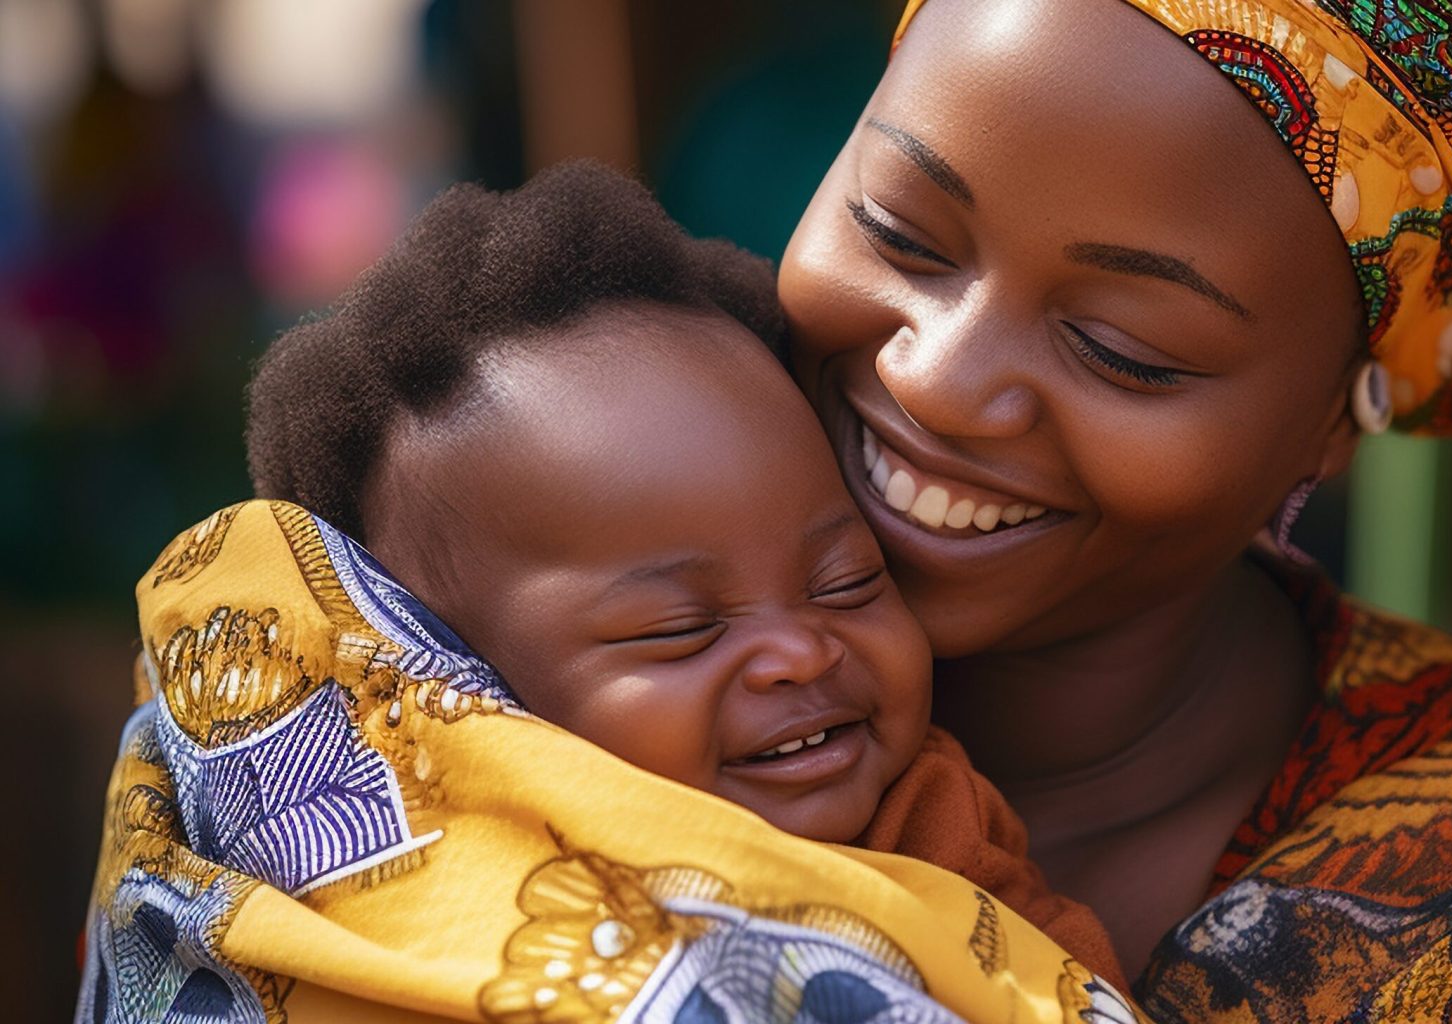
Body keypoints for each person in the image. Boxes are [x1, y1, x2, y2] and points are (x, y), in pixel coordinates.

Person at [777, 0, 1452, 1016]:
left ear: (1336, 419)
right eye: (898, 232)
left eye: (1125, 349)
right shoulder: (621, 589)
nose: (937, 379)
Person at [76, 163, 1130, 1022]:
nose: (801, 652)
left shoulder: (929, 817)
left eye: (848, 582)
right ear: (462, 689)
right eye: (680, 630)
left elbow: (1059, 983)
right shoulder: (363, 882)